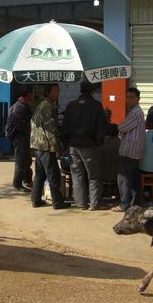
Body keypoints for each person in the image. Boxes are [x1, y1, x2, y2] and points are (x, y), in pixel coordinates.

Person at [62, 81, 108, 211]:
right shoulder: (96, 106)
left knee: (77, 175)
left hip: (73, 146)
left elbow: (65, 126)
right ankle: (94, 204)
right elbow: (101, 127)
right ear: (92, 91)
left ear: (80, 91)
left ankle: (81, 203)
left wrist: (67, 142)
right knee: (93, 176)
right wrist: (99, 141)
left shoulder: (71, 106)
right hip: (89, 146)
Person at [30, 84, 70, 209]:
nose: (58, 93)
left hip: (38, 144)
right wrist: (56, 147)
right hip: (45, 145)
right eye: (56, 91)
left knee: (40, 174)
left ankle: (35, 199)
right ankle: (57, 201)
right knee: (53, 174)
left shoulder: (41, 105)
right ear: (48, 92)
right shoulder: (47, 106)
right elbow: (50, 129)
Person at [112, 87, 145, 212]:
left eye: (132, 97)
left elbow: (122, 127)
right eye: (127, 97)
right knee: (134, 180)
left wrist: (118, 127)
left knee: (124, 179)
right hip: (133, 152)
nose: (129, 100)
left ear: (138, 99)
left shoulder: (136, 113)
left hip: (129, 152)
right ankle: (135, 204)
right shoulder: (135, 112)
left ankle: (124, 204)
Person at [5, 85, 34, 192]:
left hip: (21, 136)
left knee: (27, 159)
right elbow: (19, 124)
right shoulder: (20, 107)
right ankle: (17, 183)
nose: (33, 95)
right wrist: (30, 129)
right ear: (28, 95)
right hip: (19, 136)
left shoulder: (22, 104)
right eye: (32, 93)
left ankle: (27, 180)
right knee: (21, 160)